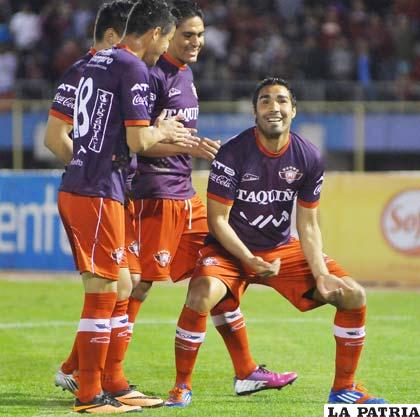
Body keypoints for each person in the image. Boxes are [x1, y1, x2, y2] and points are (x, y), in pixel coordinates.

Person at [165, 77, 388, 406]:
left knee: (353, 294)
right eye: (266, 101)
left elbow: (308, 223)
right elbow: (218, 221)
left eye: (282, 101)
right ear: (255, 112)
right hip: (229, 249)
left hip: (281, 249)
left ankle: (343, 389)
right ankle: (181, 387)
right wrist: (247, 258)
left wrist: (320, 272)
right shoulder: (232, 154)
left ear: (293, 110)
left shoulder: (309, 157)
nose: (274, 107)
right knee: (201, 294)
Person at [126, 0, 295, 401]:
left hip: (185, 194)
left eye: (200, 35)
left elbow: (173, 139)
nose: (196, 42)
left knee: (219, 271)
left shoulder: (186, 76)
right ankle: (86, 369)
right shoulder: (151, 77)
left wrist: (194, 147)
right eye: (187, 35)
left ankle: (246, 371)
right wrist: (188, 150)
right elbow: (135, 144)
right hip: (156, 195)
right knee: (140, 284)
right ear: (167, 37)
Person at [56, 0, 195, 413]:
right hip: (97, 191)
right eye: (167, 39)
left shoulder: (90, 62)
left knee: (120, 285)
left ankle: (113, 383)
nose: (164, 49)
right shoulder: (132, 66)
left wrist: (87, 162)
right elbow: (139, 142)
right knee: (102, 290)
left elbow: (57, 135)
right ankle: (88, 394)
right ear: (155, 34)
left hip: (96, 186)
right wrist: (163, 128)